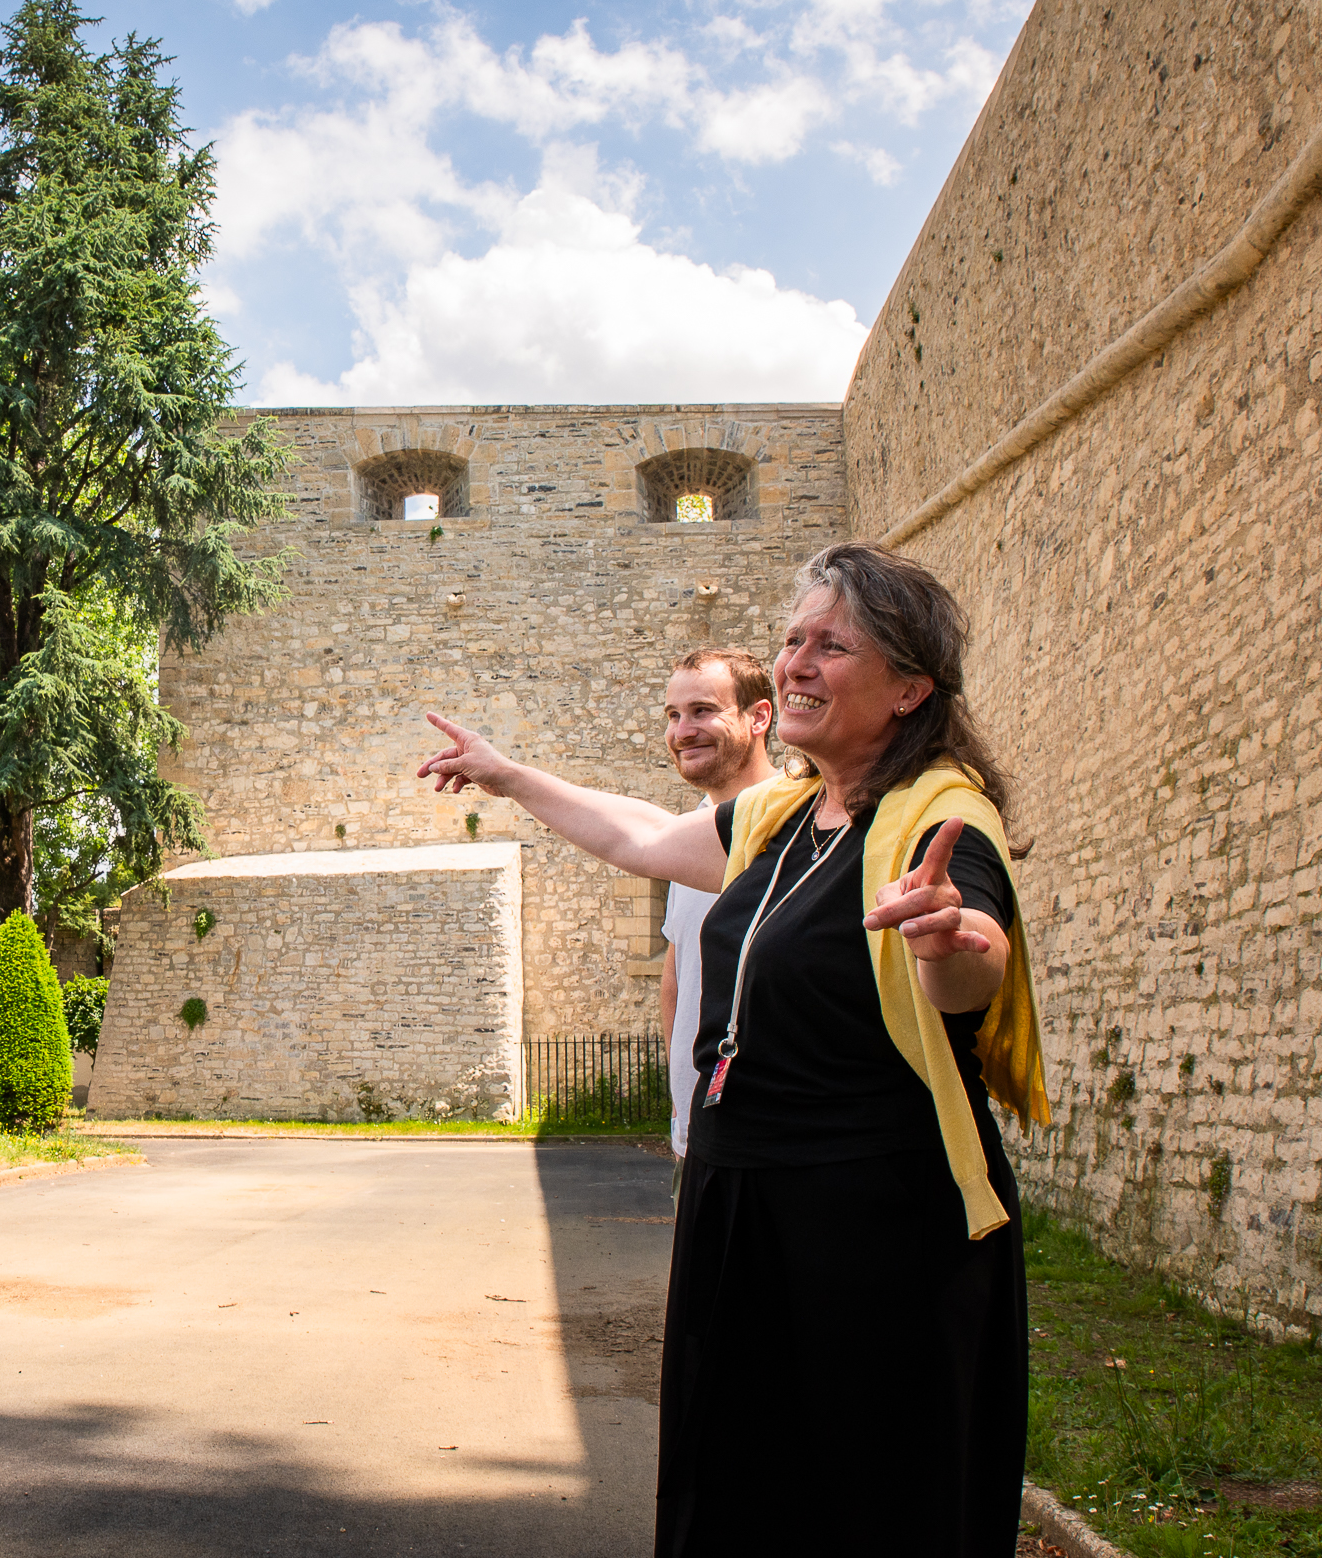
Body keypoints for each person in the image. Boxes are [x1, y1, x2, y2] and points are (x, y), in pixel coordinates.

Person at [419, 540, 1045, 1557]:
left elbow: (966, 958)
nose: (795, 661)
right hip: (741, 1201)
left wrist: (951, 944)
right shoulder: (787, 815)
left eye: (831, 645)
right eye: (791, 638)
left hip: (868, 1225)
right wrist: (509, 773)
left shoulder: (941, 820)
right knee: (737, 1493)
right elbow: (638, 837)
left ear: (907, 688)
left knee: (862, 1505)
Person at [656, 650, 777, 1172]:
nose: (683, 730)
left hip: (772, 1141)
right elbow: (677, 974)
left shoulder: (797, 820)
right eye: (673, 715)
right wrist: (682, 1095)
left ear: (759, 717)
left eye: (703, 710)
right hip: (697, 1136)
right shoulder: (694, 831)